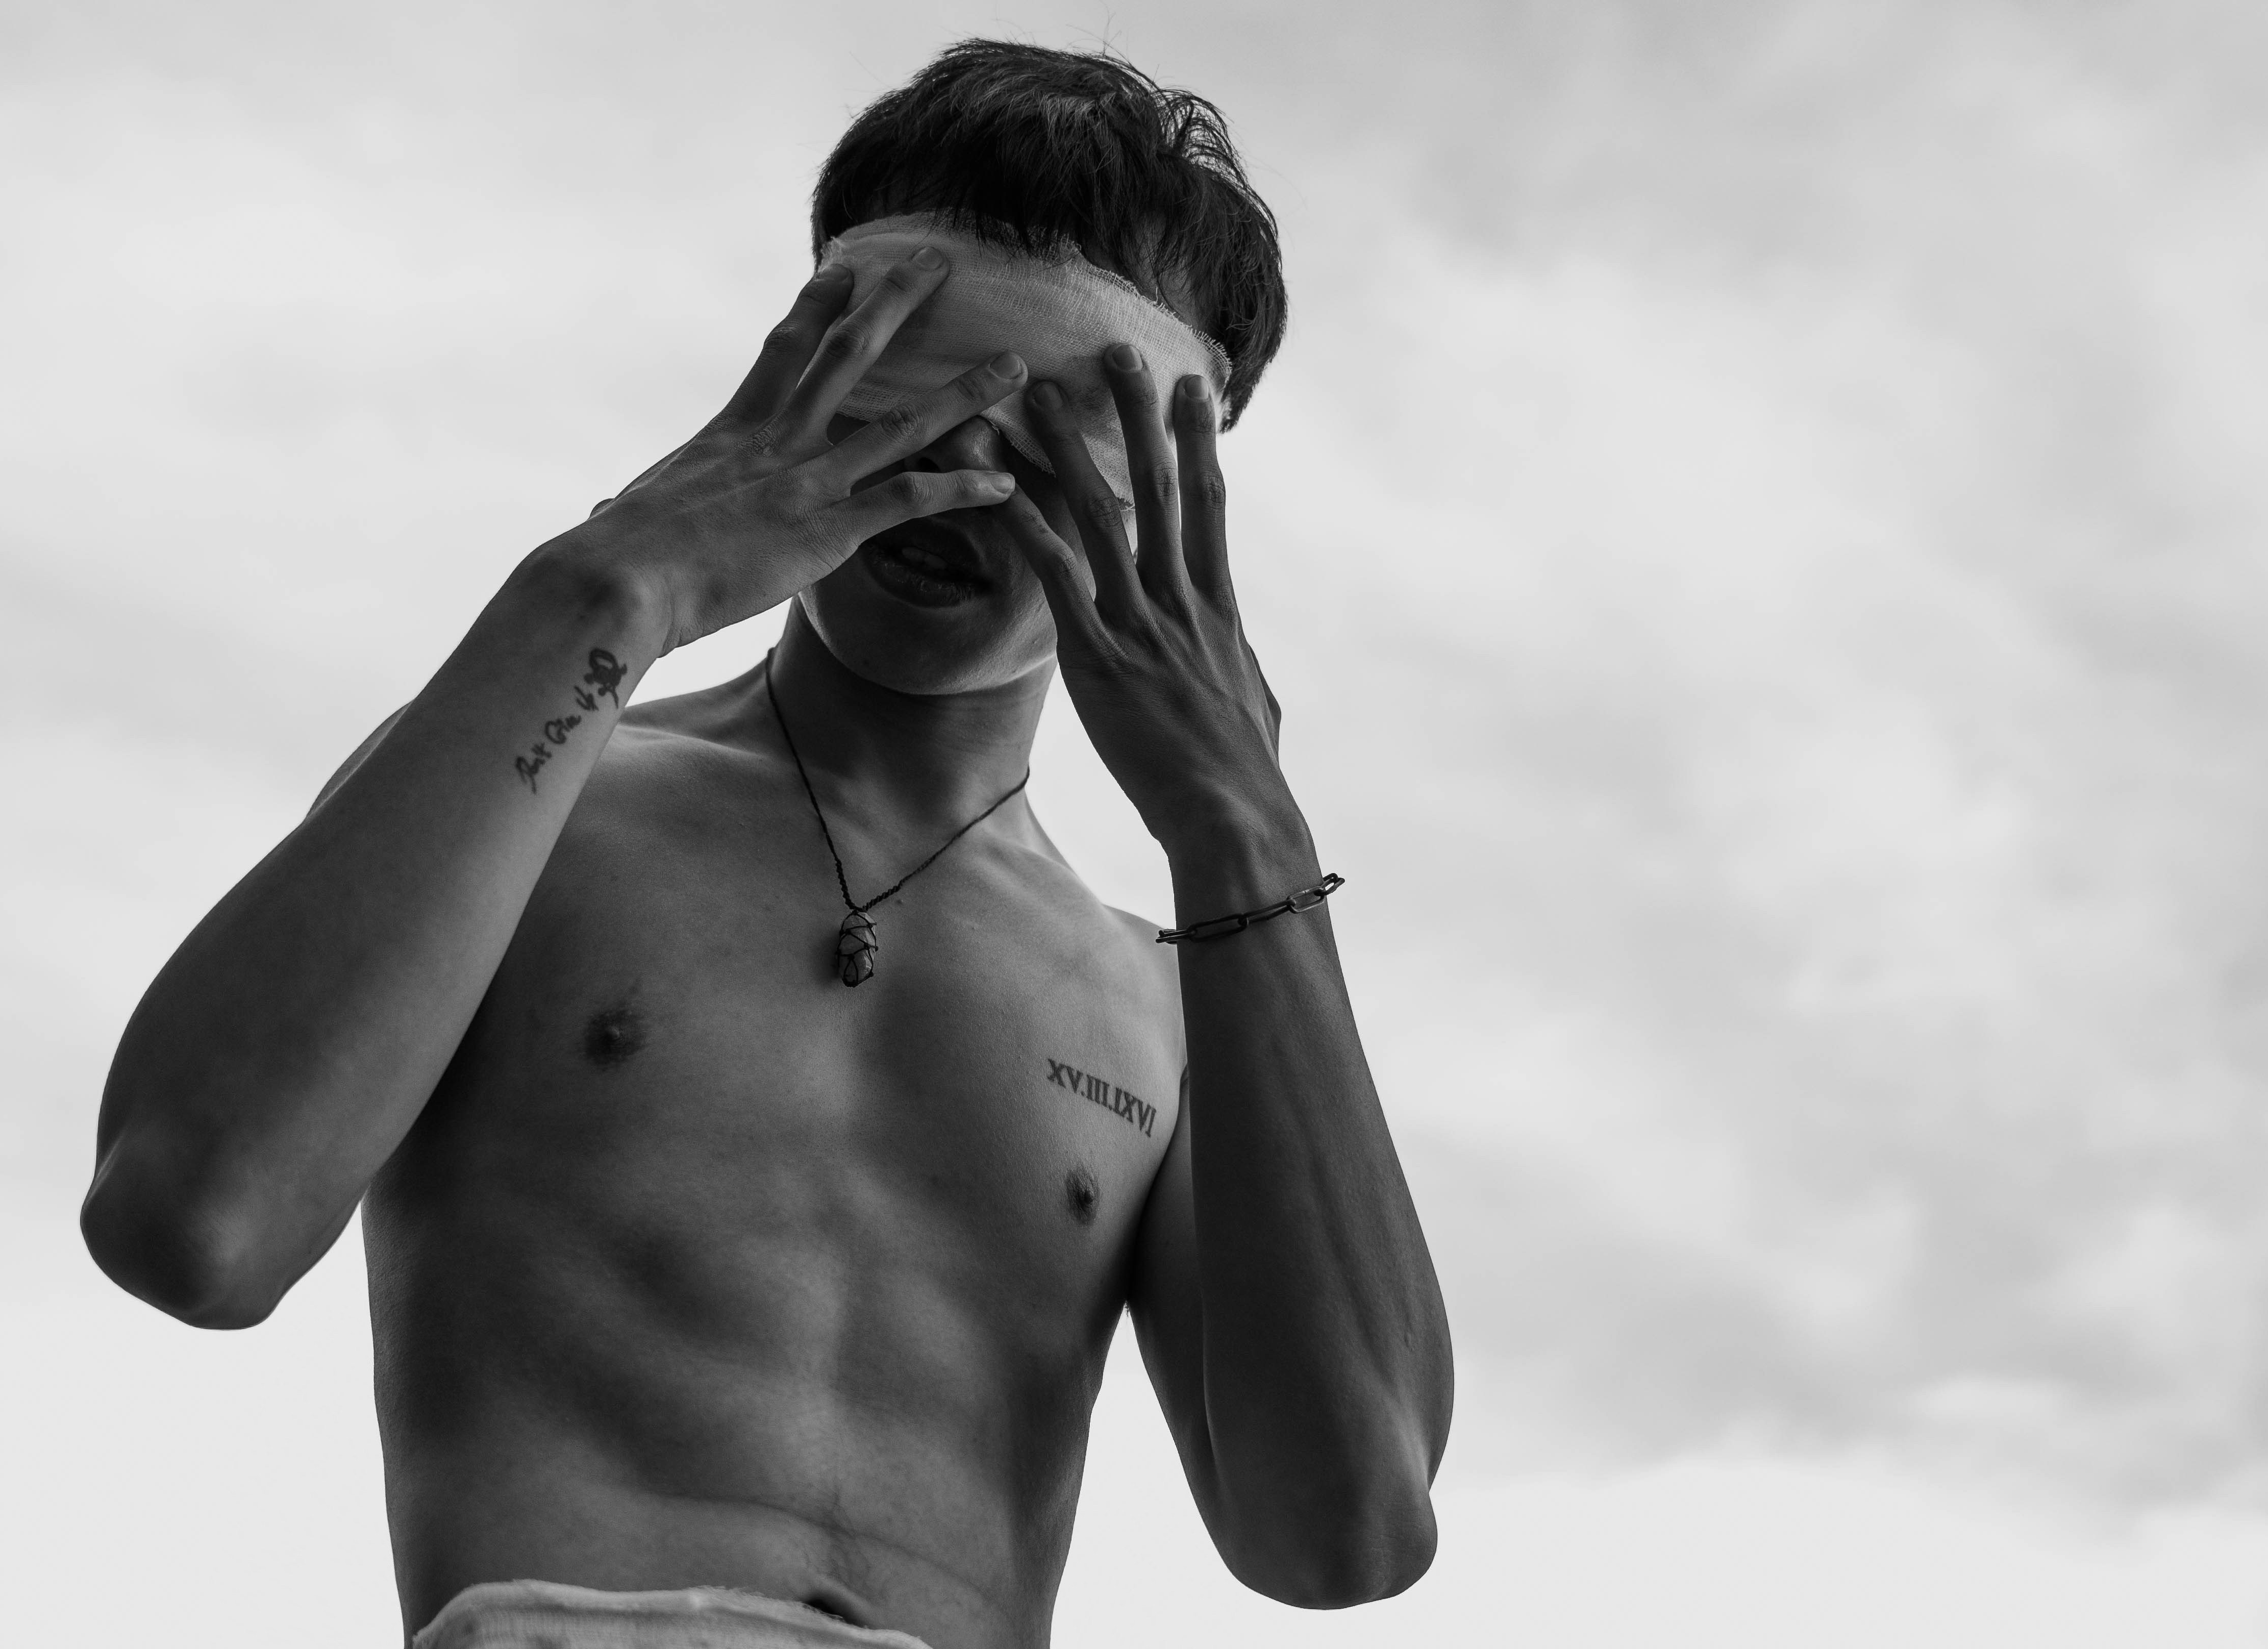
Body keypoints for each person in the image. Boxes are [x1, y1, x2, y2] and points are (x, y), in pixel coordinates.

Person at [81, 40, 1452, 1649]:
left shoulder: (1165, 996)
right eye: (903, 400)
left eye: (1049, 446)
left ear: (1171, 496)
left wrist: (1241, 822)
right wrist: (618, 581)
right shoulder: (552, 802)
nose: (951, 482)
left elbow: (1347, 1531)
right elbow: (193, 1219)